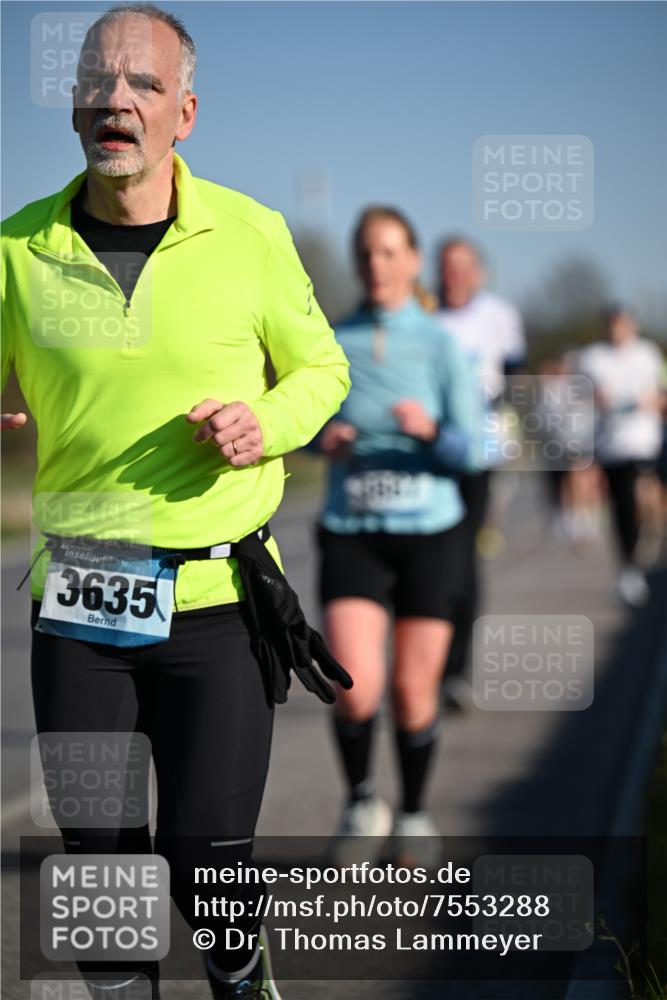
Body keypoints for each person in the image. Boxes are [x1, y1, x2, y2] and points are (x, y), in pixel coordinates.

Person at [1, 5, 350, 999]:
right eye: (97, 82)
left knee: (209, 864)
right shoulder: (16, 250)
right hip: (82, 592)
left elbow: (321, 371)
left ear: (183, 112)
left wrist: (263, 423)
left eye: (142, 85)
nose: (116, 100)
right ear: (72, 106)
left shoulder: (249, 234)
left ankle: (241, 973)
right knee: (102, 876)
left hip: (214, 599)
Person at [311, 207, 479, 863]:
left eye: (388, 253)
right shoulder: (331, 339)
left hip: (429, 534)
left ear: (412, 261)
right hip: (351, 528)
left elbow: (473, 450)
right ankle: (360, 802)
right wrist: (324, 440)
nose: (375, 266)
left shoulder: (440, 345)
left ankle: (411, 812)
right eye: (365, 255)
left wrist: (430, 433)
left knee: (413, 693)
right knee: (354, 686)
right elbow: (302, 426)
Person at [435, 237, 526, 709]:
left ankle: (454, 672)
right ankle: (425, 663)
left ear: (478, 273)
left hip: (479, 453)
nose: (454, 275)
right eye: (446, 267)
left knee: (463, 561)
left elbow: (514, 376)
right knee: (430, 562)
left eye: (463, 267)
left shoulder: (500, 317)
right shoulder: (424, 315)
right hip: (431, 453)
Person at [577, 305, 665, 607]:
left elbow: (662, 394)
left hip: (644, 441)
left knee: (641, 492)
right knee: (621, 506)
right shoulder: (592, 358)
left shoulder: (648, 354)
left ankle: (649, 536)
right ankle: (629, 564)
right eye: (613, 325)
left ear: (633, 326)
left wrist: (648, 401)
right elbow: (577, 397)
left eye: (623, 324)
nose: (619, 330)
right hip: (610, 445)